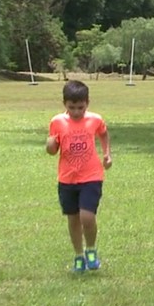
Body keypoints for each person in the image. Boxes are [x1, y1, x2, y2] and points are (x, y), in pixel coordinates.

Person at [46, 80, 112, 272]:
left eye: (80, 107)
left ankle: (91, 250)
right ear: (64, 104)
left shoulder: (95, 120)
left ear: (88, 103)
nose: (76, 112)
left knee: (87, 217)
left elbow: (104, 134)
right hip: (67, 178)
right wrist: (50, 146)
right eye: (72, 107)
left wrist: (107, 154)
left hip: (91, 176)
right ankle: (78, 255)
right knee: (73, 219)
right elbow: (53, 148)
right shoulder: (57, 122)